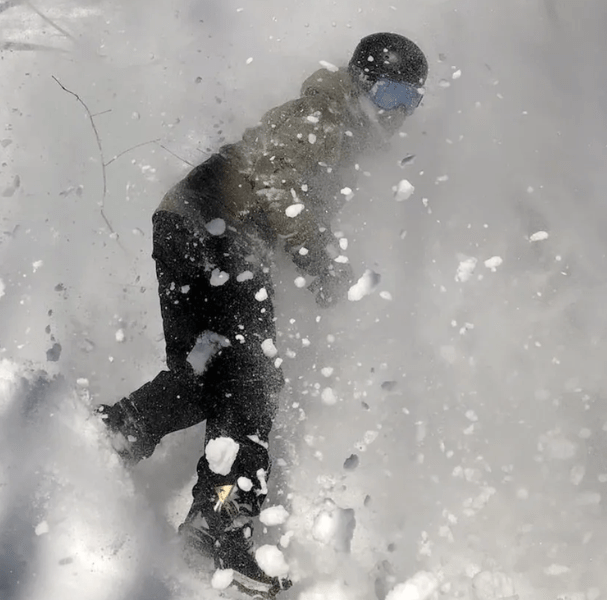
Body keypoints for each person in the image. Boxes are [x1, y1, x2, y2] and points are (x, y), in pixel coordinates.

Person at [97, 32, 428, 596]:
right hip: (223, 223)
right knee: (252, 382)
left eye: (409, 102)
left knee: (207, 377)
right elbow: (276, 183)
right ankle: (217, 528)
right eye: (391, 94)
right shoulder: (328, 117)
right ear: (363, 83)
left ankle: (112, 434)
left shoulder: (339, 128)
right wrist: (320, 263)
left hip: (185, 219)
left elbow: (288, 189)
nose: (396, 114)